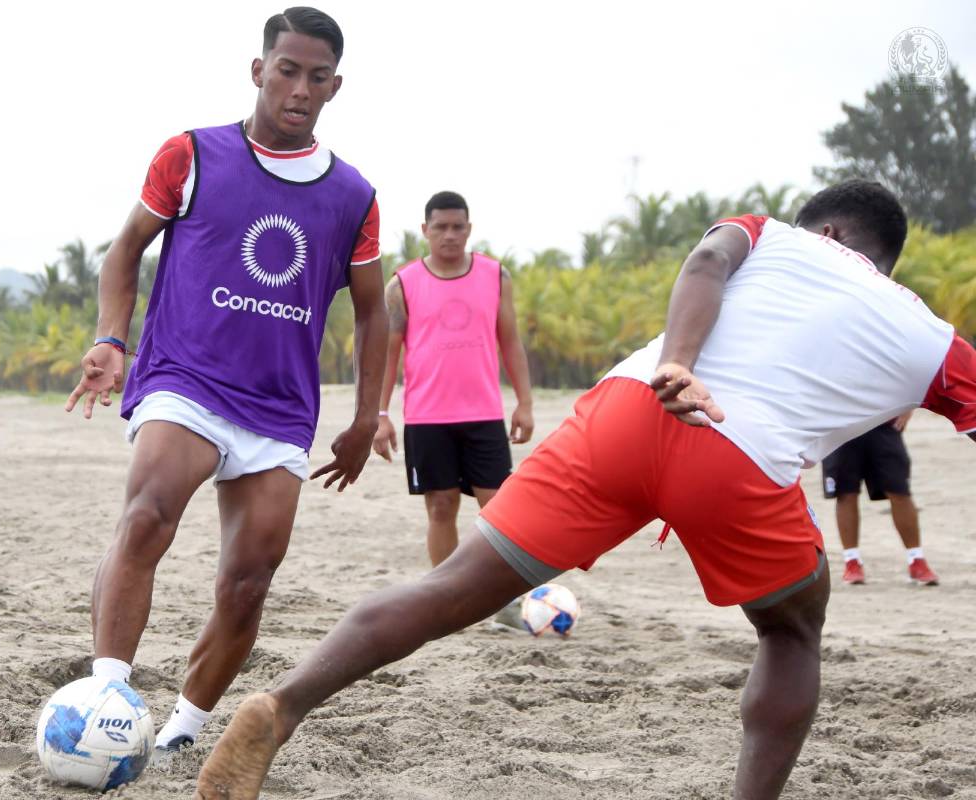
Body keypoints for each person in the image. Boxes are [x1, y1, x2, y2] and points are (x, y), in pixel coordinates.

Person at [192, 180, 976, 800]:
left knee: (449, 587)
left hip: (625, 409)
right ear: (874, 254)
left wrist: (678, 363)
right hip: (737, 458)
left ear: (828, 232)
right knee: (790, 631)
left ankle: (283, 705)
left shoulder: (769, 233)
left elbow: (704, 265)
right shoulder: (934, 339)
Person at [63, 6, 388, 751]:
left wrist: (367, 415)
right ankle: (106, 698)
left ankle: (180, 732)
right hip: (186, 378)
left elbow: (375, 316)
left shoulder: (353, 196)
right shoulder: (192, 154)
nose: (298, 88)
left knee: (246, 587)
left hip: (278, 409)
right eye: (286, 70)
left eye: (315, 77)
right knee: (147, 516)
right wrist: (112, 338)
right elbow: (124, 253)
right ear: (258, 70)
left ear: (335, 87)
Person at [373, 191, 534, 567]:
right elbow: (387, 355)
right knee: (441, 508)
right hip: (427, 419)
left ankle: (502, 597)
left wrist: (524, 404)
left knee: (499, 512)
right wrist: (380, 415)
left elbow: (510, 342)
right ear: (425, 230)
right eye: (441, 227)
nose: (450, 235)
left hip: (484, 415)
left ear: (469, 229)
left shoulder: (496, 276)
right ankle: (444, 596)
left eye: (457, 227)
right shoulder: (402, 285)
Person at [822, 413, 939, 585]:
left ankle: (916, 559)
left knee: (899, 490)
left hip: (882, 422)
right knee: (845, 492)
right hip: (841, 424)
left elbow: (910, 384)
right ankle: (851, 561)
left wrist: (909, 408)